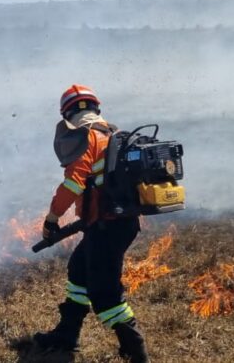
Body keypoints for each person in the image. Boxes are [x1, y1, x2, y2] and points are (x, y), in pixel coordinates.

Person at [33, 84, 150, 362]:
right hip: (115, 224)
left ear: (68, 114)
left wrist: (52, 217)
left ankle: (136, 352)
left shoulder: (87, 139)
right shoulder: (114, 134)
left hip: (107, 228)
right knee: (78, 270)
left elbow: (73, 184)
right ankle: (67, 335)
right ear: (96, 108)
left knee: (105, 294)